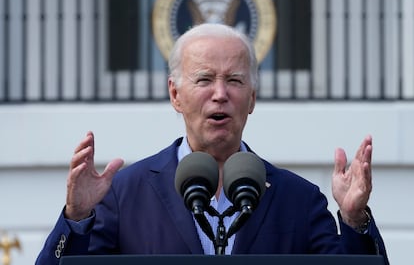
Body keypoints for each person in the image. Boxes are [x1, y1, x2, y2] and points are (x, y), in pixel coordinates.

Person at [36, 23, 389, 265]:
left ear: (251, 98)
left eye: (234, 80)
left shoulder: (299, 199)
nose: (220, 94)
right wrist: (76, 218)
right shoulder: (124, 194)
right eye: (204, 79)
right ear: (175, 94)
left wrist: (354, 218)